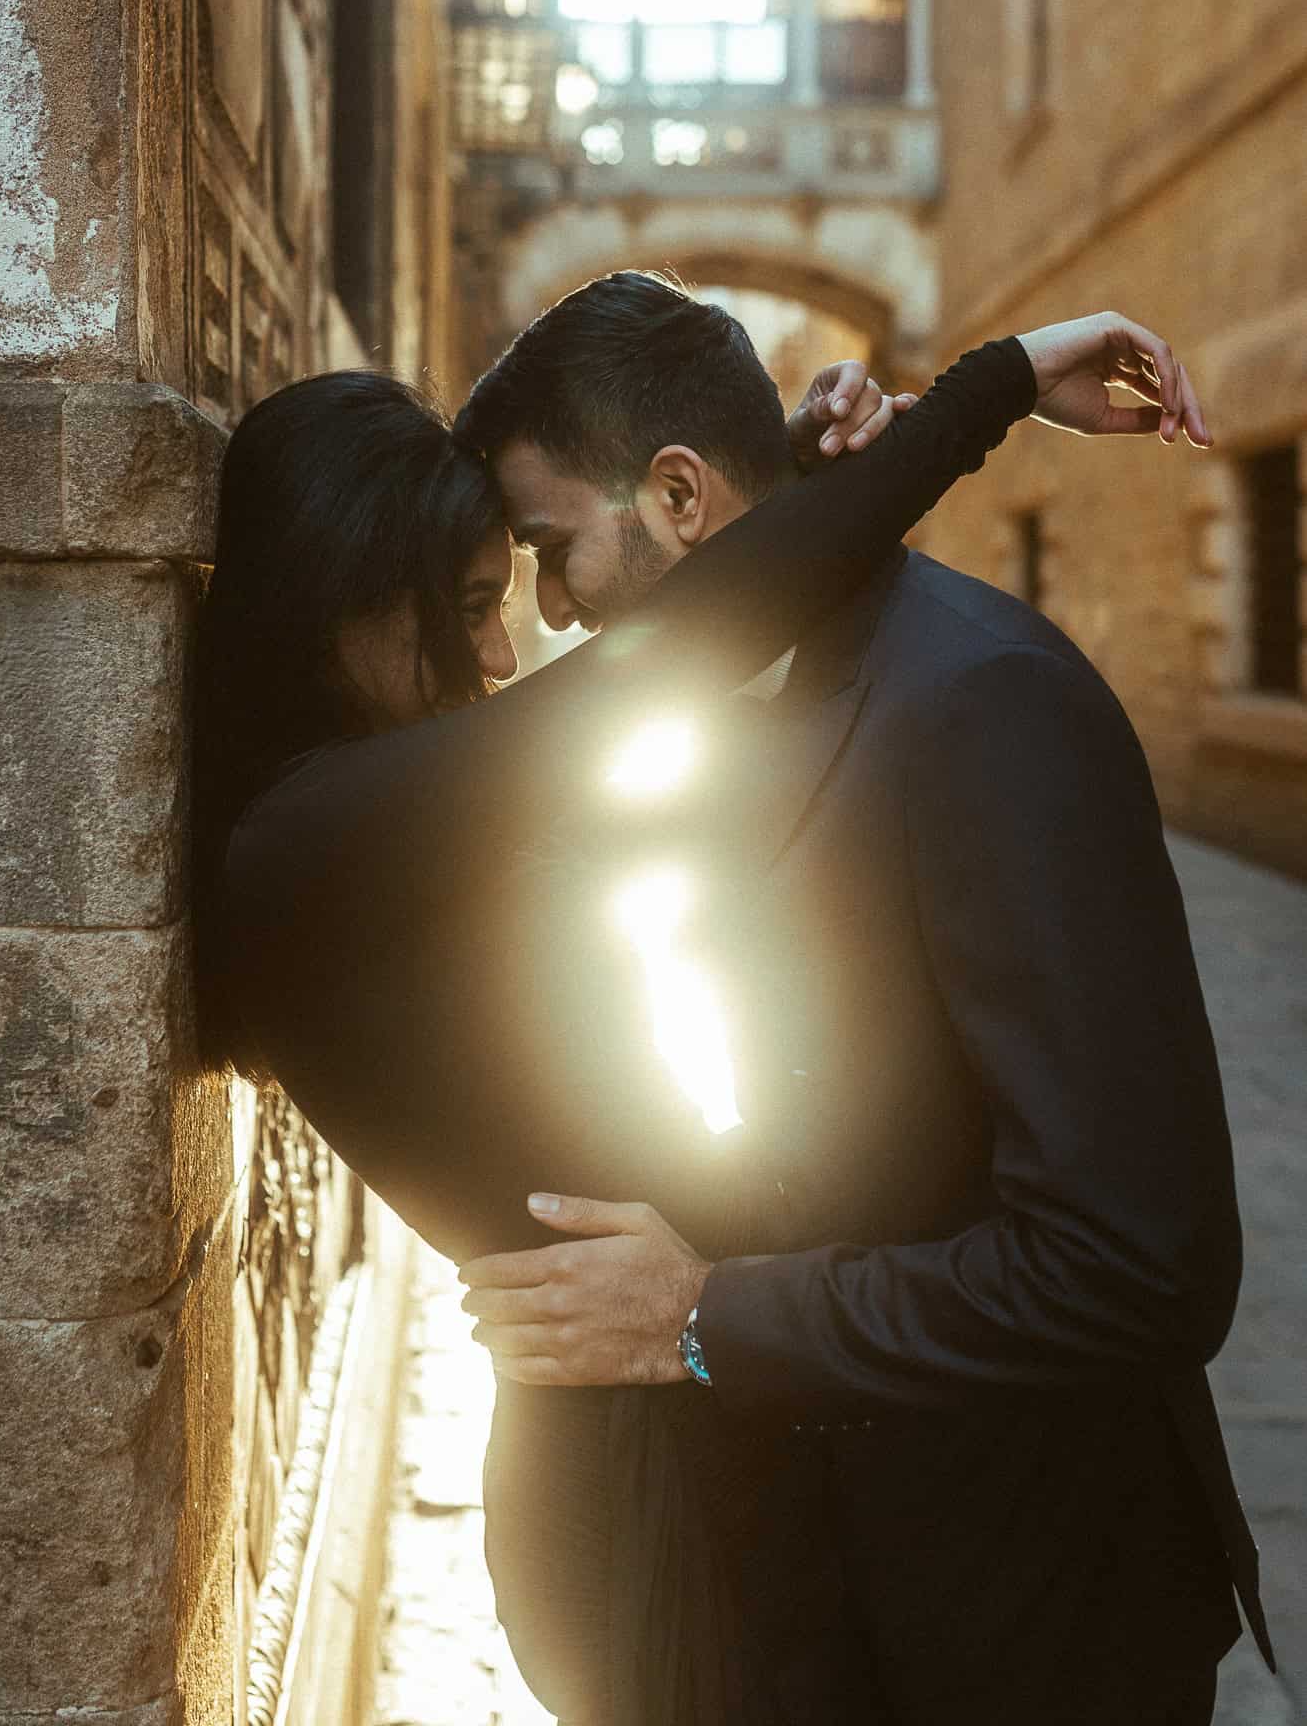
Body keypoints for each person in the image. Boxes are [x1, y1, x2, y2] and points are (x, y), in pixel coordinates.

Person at [195, 300, 1220, 1723]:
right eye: (479, 597)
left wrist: (789, 472)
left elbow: (713, 647)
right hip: (637, 1484)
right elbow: (684, 641)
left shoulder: (407, 817)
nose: (509, 649)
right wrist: (977, 393)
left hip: (742, 1454)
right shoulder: (320, 837)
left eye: (527, 569)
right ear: (346, 594)